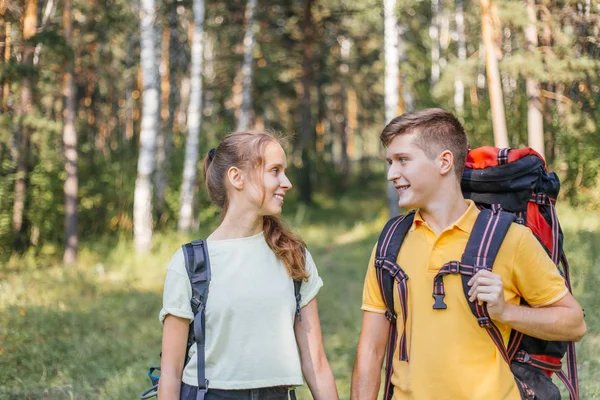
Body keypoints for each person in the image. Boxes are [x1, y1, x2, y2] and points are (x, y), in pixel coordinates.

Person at [350, 108, 586, 400]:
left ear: (444, 162)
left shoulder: (510, 239)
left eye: (403, 160)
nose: (391, 174)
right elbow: (370, 351)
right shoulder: (390, 243)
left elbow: (574, 323)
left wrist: (505, 311)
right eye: (390, 162)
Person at [158, 131, 339, 400]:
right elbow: (170, 372)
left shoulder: (293, 256)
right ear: (236, 177)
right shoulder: (191, 263)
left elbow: (317, 364)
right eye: (274, 171)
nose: (286, 182)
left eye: (284, 171)